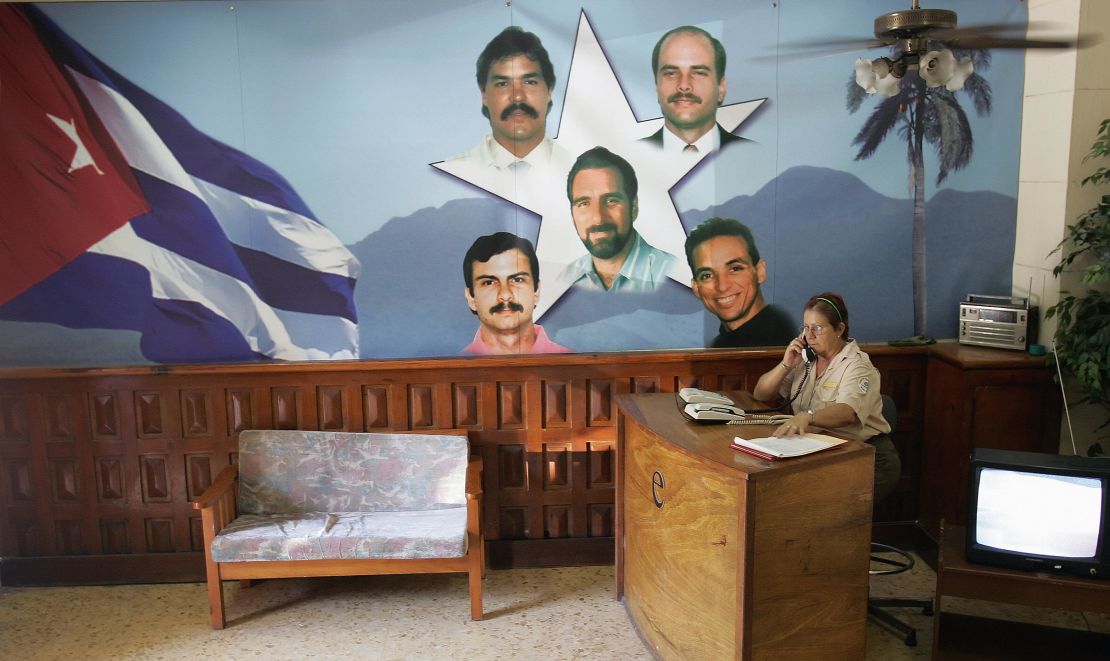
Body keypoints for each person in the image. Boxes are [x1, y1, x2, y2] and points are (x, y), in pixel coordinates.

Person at [751, 293, 900, 501]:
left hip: (866, 456)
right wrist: (786, 364)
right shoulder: (806, 360)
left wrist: (808, 417)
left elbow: (847, 412)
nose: (809, 336)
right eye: (805, 328)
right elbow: (761, 393)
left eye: (817, 328)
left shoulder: (857, 366)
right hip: (820, 452)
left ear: (839, 329)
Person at [440, 27, 572, 187]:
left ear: (549, 91)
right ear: (484, 96)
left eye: (529, 82)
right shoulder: (450, 176)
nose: (517, 96)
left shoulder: (586, 170)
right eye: (502, 84)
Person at [558, 146, 677, 292]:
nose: (598, 218)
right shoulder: (563, 282)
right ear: (572, 214)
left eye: (611, 201)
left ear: (634, 207)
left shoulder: (675, 275)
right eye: (584, 203)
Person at [685, 217, 795, 347]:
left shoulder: (783, 344)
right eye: (707, 275)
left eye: (735, 269)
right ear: (696, 288)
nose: (722, 286)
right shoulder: (719, 348)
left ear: (759, 272)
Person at [641, 26, 748, 154]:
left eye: (699, 73)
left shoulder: (755, 155)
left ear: (721, 88)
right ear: (656, 85)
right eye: (671, 73)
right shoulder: (628, 156)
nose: (684, 85)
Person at [462, 232, 571, 355]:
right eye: (489, 283)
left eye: (517, 280)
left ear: (536, 291)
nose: (505, 295)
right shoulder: (454, 370)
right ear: (471, 298)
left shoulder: (574, 367)